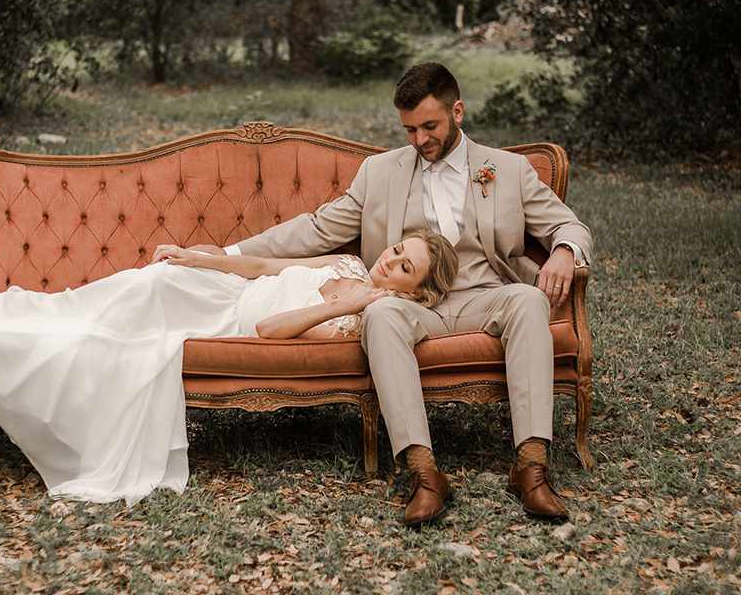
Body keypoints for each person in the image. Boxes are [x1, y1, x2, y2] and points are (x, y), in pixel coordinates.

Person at [192, 62, 593, 525]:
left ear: (457, 111)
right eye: (409, 130)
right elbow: (318, 229)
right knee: (380, 315)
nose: (420, 140)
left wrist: (564, 251)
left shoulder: (507, 169)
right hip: (410, 303)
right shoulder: (379, 172)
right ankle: (424, 475)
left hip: (484, 298)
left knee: (527, 299)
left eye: (430, 126)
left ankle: (532, 467)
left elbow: (570, 225)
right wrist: (228, 251)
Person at [0, 231, 458, 507]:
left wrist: (348, 304)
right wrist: (198, 258)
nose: (388, 261)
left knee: (107, 333)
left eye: (404, 267)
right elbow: (260, 269)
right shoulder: (346, 265)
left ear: (416, 291)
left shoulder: (359, 319)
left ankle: (15, 347)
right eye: (395, 249)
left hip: (224, 318)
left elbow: (271, 331)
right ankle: (20, 325)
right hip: (220, 290)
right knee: (147, 282)